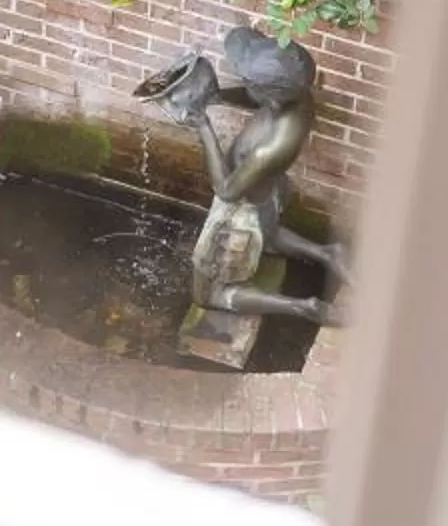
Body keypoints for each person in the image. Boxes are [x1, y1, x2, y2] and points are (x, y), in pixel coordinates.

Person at [141, 28, 347, 327]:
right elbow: (258, 100)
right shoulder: (297, 99)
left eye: (249, 82)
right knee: (269, 233)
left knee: (209, 294)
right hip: (267, 194)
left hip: (240, 211)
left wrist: (203, 126)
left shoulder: (272, 148)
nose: (243, 83)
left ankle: (306, 307)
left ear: (270, 92)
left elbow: (226, 190)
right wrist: (216, 95)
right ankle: (327, 253)